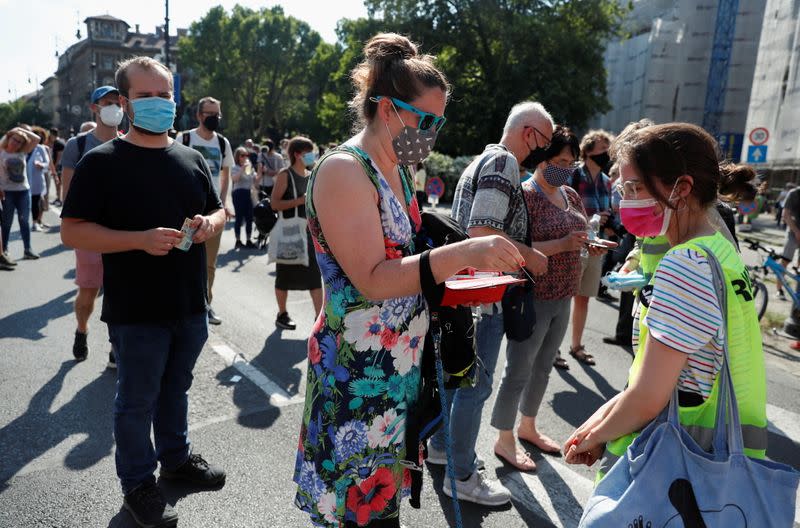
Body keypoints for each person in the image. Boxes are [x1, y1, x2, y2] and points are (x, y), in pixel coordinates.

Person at [292, 33, 525, 527]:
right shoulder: (343, 170)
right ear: (385, 108)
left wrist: (460, 267)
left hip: (397, 368)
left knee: (381, 507)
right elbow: (374, 280)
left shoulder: (397, 168)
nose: (431, 131)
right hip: (355, 372)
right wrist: (465, 250)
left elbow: (411, 254)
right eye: (424, 119)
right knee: (354, 512)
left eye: (437, 122)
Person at [60, 56, 227, 528]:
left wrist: (206, 223)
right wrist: (137, 239)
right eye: (145, 96)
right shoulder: (101, 162)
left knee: (177, 388)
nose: (158, 103)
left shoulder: (191, 157)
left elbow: (218, 214)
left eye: (164, 94)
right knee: (135, 401)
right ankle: (138, 484)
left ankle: (176, 458)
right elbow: (73, 232)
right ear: (124, 103)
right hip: (136, 311)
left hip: (190, 304)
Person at [564, 123, 767, 482]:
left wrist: (593, 438)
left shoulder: (685, 264)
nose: (626, 201)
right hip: (712, 468)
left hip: (670, 470)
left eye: (635, 188)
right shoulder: (722, 253)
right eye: (623, 189)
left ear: (682, 188)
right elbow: (660, 379)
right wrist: (599, 423)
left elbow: (647, 397)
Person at [427, 101, 551, 505]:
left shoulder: (483, 160)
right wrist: (530, 256)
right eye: (543, 142)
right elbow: (482, 231)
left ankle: (445, 448)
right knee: (475, 386)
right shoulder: (504, 164)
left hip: (469, 291)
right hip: (485, 296)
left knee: (463, 380)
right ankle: (461, 474)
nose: (542, 153)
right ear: (529, 132)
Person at [491, 126, 607, 469]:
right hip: (533, 295)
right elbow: (513, 247)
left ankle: (528, 426)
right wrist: (562, 245)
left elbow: (580, 233)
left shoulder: (570, 194)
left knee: (543, 368)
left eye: (571, 162)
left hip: (563, 293)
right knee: (519, 369)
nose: (565, 167)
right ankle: (503, 438)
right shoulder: (526, 195)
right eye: (559, 160)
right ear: (543, 158)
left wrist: (590, 243)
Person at [61, 85, 124, 365]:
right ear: (94, 108)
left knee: (121, 292)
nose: (114, 107)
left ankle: (115, 346)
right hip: (90, 231)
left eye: (117, 102)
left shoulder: (129, 142)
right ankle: (82, 329)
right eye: (107, 102)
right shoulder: (78, 145)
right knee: (89, 292)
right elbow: (68, 192)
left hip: (124, 232)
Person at [176, 96, 233, 326]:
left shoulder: (222, 143)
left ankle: (205, 304)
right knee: (181, 258)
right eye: (210, 114)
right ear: (199, 115)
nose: (215, 118)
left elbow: (226, 174)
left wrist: (224, 203)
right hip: (186, 212)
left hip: (212, 212)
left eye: (217, 114)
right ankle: (180, 303)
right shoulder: (185, 138)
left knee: (209, 263)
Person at [567, 129, 615, 366]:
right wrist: (592, 217)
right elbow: (564, 208)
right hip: (574, 244)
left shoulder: (606, 181)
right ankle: (552, 349)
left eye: (608, 150)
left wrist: (606, 222)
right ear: (587, 152)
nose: (606, 155)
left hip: (595, 245)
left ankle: (576, 346)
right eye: (602, 150)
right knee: (564, 297)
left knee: (584, 298)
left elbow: (608, 212)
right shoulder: (574, 174)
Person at [270, 136, 323, 329]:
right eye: (308, 152)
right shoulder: (285, 174)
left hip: (309, 234)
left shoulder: (311, 175)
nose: (312, 156)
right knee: (284, 275)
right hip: (289, 232)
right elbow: (274, 204)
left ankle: (319, 319)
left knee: (315, 277)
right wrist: (300, 200)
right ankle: (282, 314)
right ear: (297, 154)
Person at [1, 125, 41, 261]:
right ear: (9, 138)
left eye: (19, 142)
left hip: (23, 191)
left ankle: (27, 250)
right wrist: (11, 132)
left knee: (24, 221)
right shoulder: (1, 151)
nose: (15, 143)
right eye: (14, 139)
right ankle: (4, 250)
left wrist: (21, 130)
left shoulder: (22, 152)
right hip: (7, 192)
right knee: (6, 222)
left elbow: (37, 139)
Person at [26, 126, 51, 232]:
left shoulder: (40, 148)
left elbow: (47, 163)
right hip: (24, 179)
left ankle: (35, 222)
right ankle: (35, 221)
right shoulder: (24, 147)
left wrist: (41, 165)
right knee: (31, 202)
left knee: (36, 201)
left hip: (37, 180)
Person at [231, 146, 256, 249]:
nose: (245, 157)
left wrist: (260, 171)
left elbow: (254, 180)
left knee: (249, 217)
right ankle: (238, 240)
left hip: (247, 193)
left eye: (246, 155)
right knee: (239, 217)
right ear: (238, 156)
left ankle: (249, 240)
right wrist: (242, 169)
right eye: (242, 155)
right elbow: (235, 179)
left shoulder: (249, 167)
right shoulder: (235, 167)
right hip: (238, 193)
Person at [49, 127, 65, 206]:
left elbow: (59, 156)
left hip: (58, 166)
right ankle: (58, 198)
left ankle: (59, 199)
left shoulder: (57, 143)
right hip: (60, 165)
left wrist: (54, 166)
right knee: (58, 183)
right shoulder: (60, 141)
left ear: (52, 134)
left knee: (58, 183)